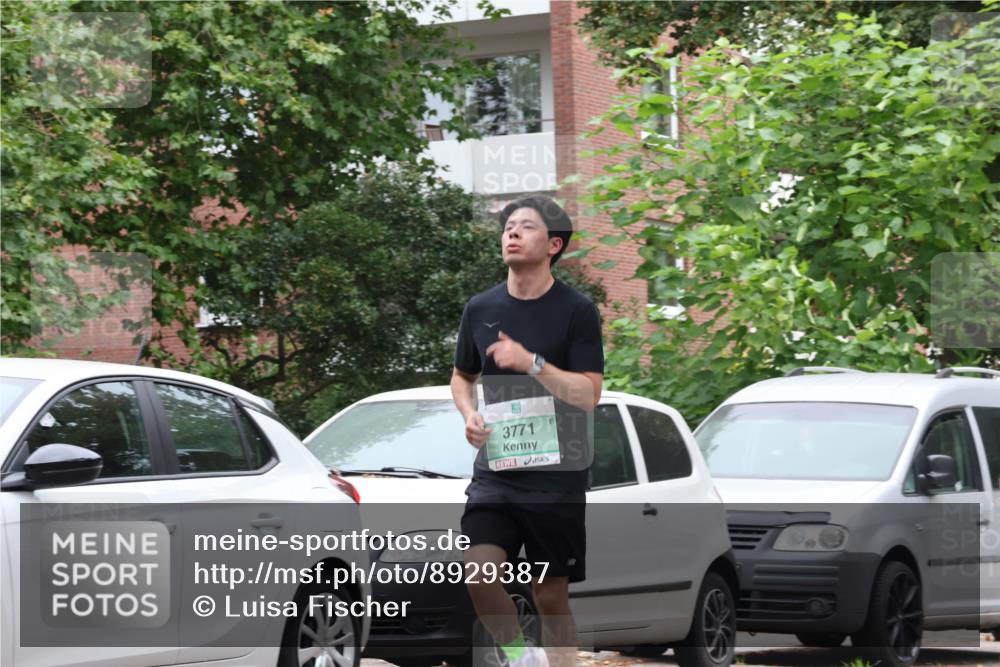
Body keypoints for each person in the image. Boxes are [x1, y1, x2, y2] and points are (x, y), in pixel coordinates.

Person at [451, 196, 604, 667]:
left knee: (549, 592)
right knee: (478, 571)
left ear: (553, 244)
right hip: (497, 470)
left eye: (526, 227)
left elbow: (589, 393)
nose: (511, 234)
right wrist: (469, 415)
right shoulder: (481, 308)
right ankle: (520, 657)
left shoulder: (577, 310)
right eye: (508, 227)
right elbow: (462, 377)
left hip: (556, 476)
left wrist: (531, 362)